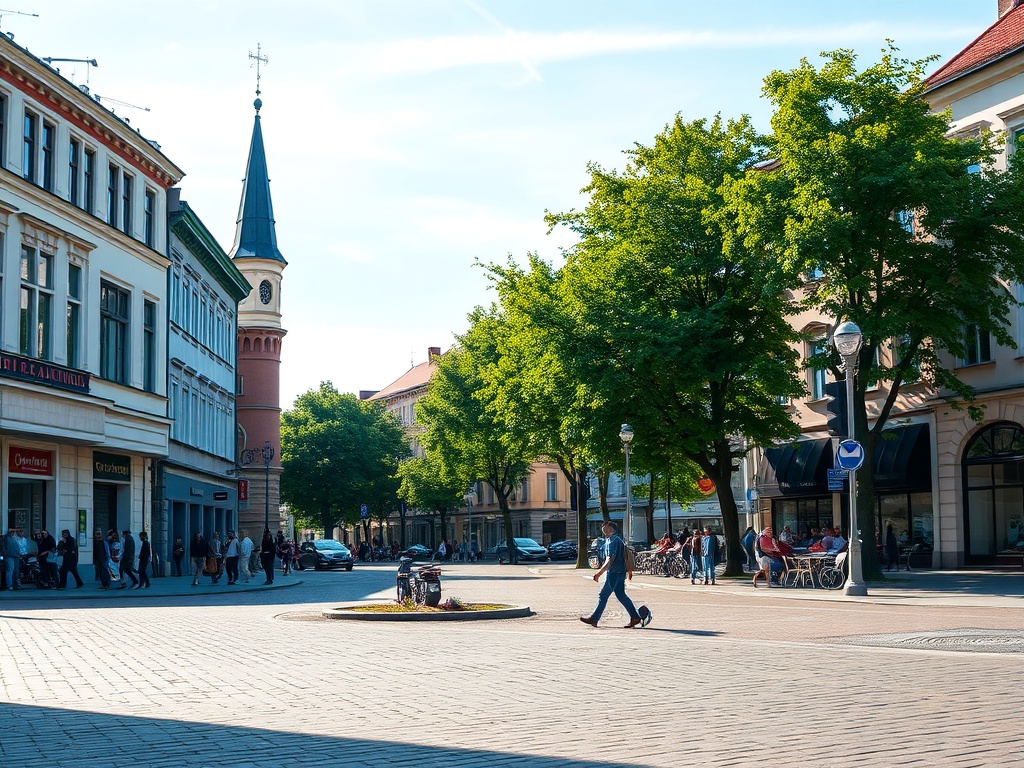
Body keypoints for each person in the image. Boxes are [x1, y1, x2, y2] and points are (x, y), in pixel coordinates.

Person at [580, 521, 645, 628]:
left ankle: (594, 618)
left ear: (611, 528)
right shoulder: (614, 539)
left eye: (605, 526)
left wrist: (599, 573)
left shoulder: (613, 541)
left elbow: (610, 559)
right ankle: (635, 617)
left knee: (603, 595)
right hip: (620, 572)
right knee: (621, 595)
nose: (603, 527)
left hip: (614, 573)